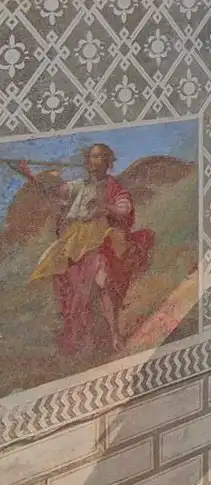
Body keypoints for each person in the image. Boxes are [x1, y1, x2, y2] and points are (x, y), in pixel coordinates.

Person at [19, 143, 155, 355]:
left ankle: (114, 335)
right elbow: (54, 191)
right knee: (78, 291)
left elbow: (124, 208)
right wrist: (30, 175)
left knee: (102, 280)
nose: (94, 161)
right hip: (74, 242)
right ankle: (87, 340)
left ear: (107, 162)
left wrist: (104, 207)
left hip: (99, 239)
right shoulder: (78, 186)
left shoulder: (112, 187)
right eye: (91, 157)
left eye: (99, 157)